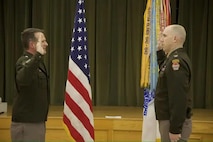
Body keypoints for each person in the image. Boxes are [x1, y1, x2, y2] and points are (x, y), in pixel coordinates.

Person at [155, 24, 193, 142]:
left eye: (165, 36)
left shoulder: (177, 62)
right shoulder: (172, 58)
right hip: (169, 119)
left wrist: (175, 129)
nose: (161, 38)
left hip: (172, 121)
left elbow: (178, 97)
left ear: (175, 39)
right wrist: (160, 51)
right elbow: (165, 72)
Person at [11, 28, 50, 142]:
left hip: (36, 122)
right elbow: (23, 79)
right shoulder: (23, 62)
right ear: (33, 44)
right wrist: (37, 55)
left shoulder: (38, 63)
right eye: (42, 41)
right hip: (26, 124)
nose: (46, 44)